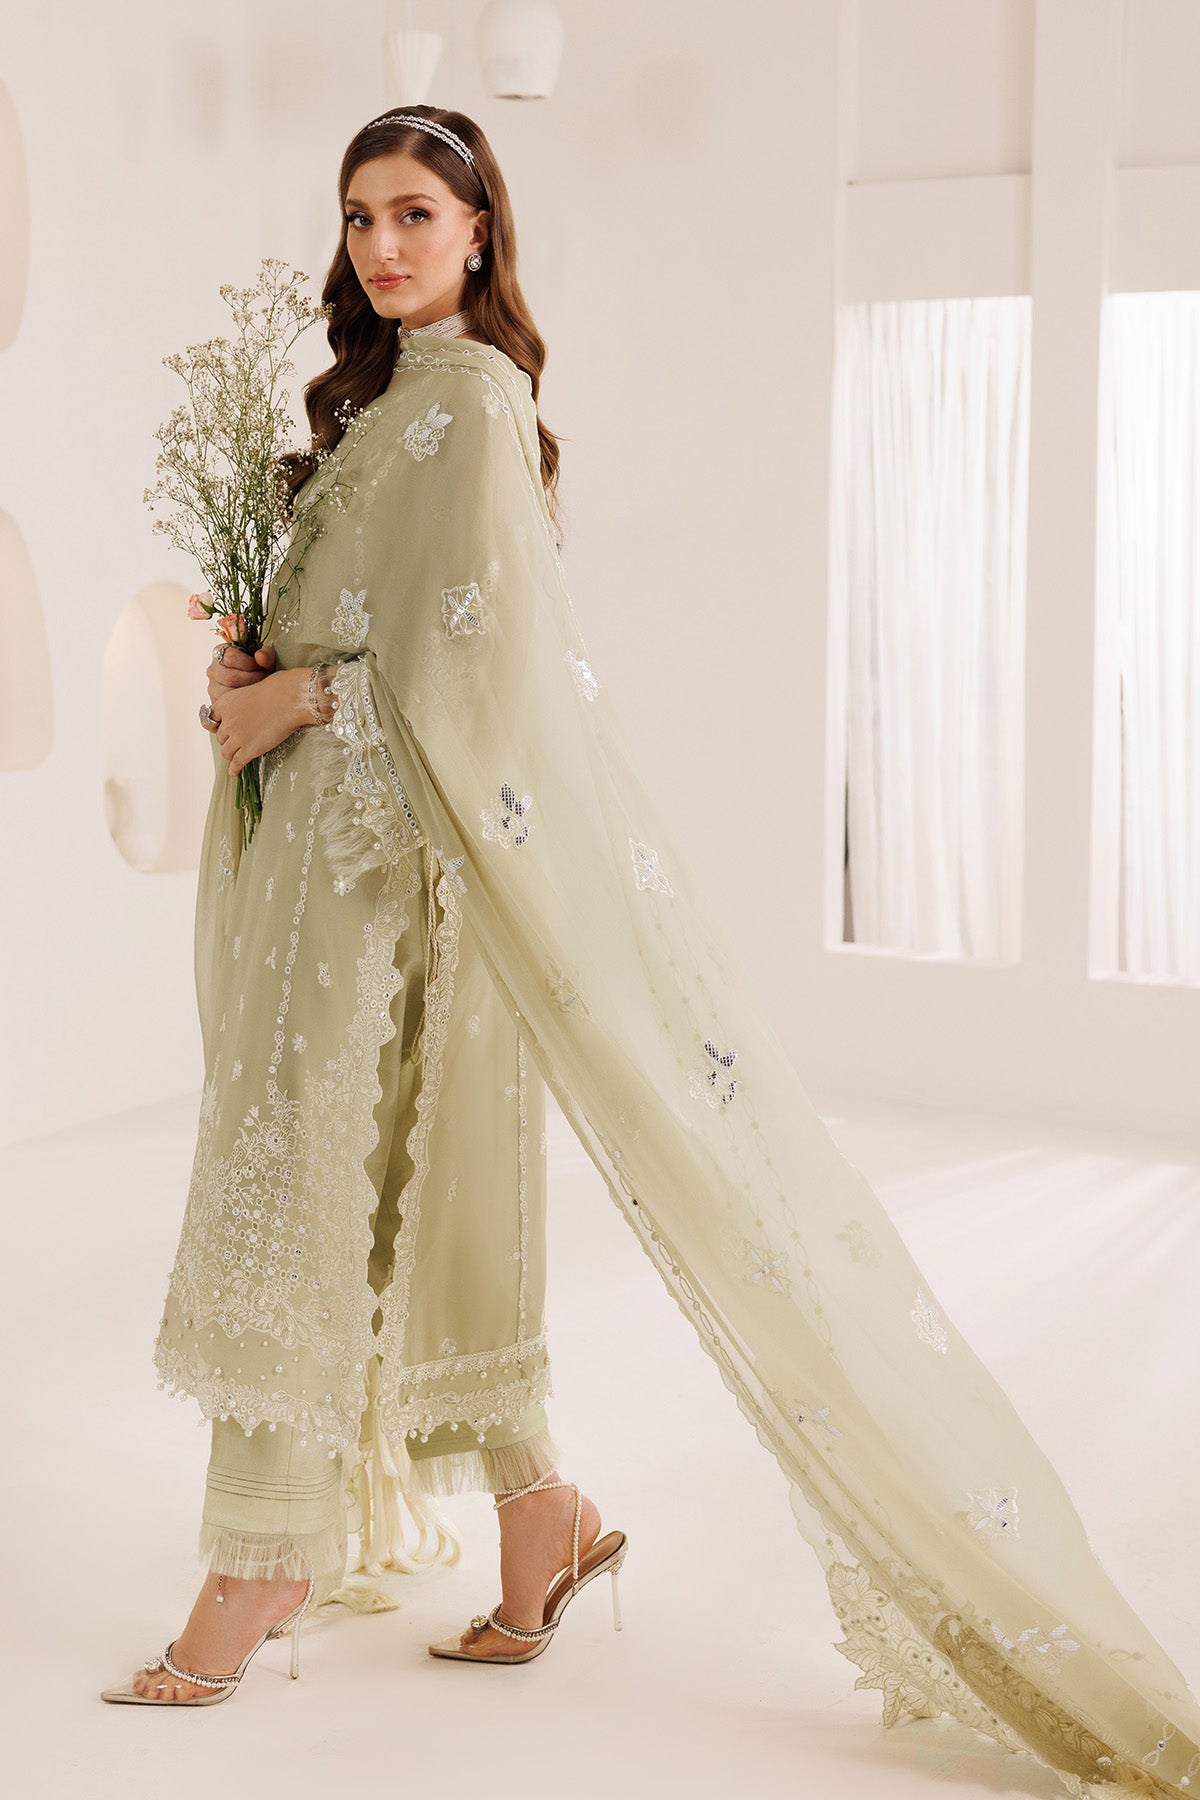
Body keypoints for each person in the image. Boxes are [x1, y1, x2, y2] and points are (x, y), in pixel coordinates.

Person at [101, 104, 1200, 1800]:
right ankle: (542, 1521)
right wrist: (257, 672)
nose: (382, 244)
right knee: (399, 1191)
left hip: (389, 883)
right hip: (327, 880)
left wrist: (301, 697)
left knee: (302, 1190)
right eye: (360, 216)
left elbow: (483, 674)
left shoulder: (473, 401)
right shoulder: (380, 402)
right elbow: (370, 629)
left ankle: (257, 1566)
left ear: (481, 229)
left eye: (415, 214)